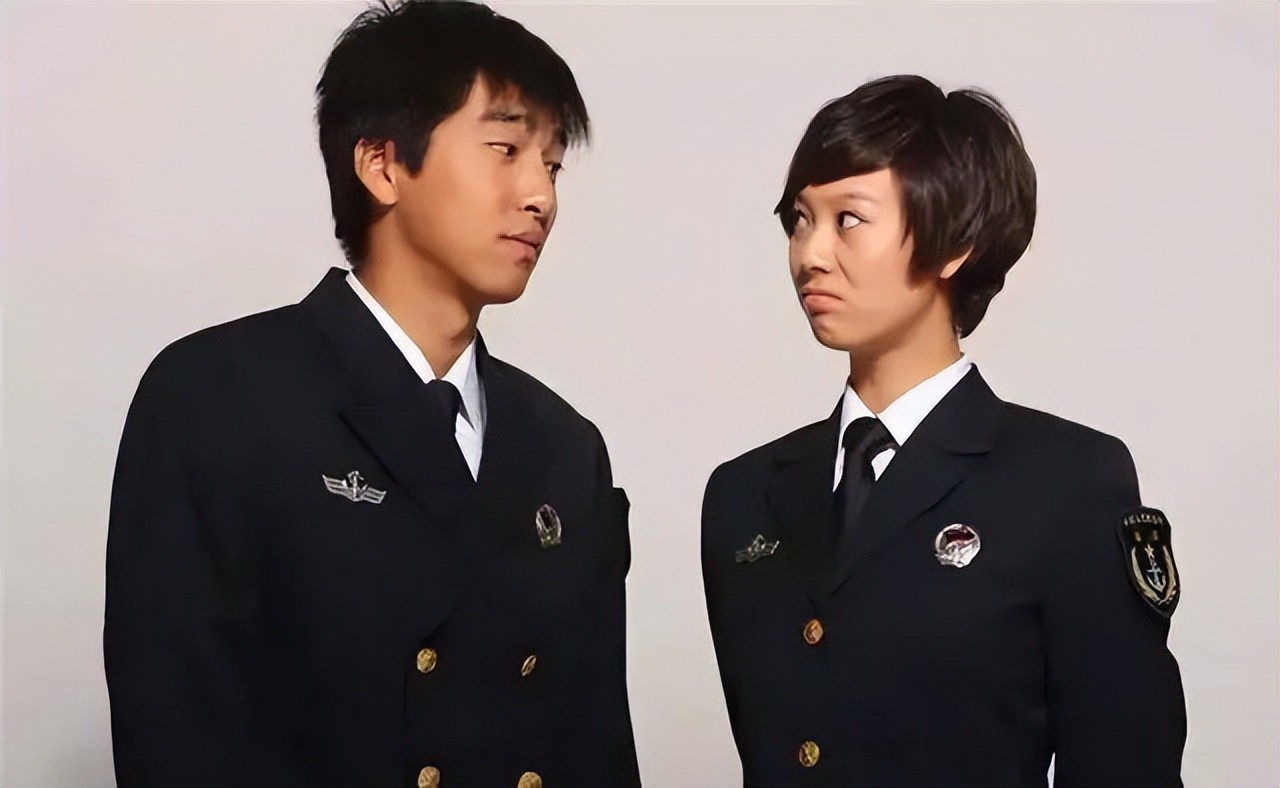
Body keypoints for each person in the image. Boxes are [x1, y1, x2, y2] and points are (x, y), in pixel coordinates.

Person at [103, 2, 639, 785]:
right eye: (505, 150)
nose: (541, 197)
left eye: (552, 165)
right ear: (382, 165)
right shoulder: (216, 401)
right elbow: (179, 739)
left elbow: (597, 748)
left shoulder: (563, 446)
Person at [701, 74, 1185, 786]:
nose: (810, 254)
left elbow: (1125, 766)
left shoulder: (1067, 483)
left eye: (848, 219)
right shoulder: (743, 496)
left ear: (953, 241)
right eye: (799, 220)